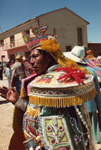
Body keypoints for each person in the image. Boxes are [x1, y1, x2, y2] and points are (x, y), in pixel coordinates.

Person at [0, 25, 97, 150]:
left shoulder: (63, 79)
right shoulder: (33, 80)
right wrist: (17, 101)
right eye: (30, 57)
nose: (31, 61)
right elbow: (34, 109)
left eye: (35, 56)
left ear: (49, 57)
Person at [64, 45, 101, 144]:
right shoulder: (91, 71)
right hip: (90, 106)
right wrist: (100, 108)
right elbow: (97, 93)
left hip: (75, 109)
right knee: (93, 138)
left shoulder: (68, 71)